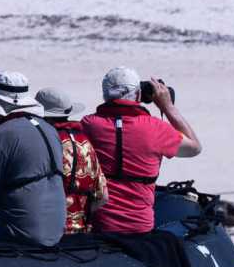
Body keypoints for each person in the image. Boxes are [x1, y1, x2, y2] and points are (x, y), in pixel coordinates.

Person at [82, 67, 202, 235]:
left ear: (105, 95)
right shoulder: (155, 128)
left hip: (100, 224)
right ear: (138, 95)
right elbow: (194, 148)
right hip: (140, 226)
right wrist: (167, 107)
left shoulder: (89, 125)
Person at [0, 71, 66, 246]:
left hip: (24, 229)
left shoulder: (1, 134)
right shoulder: (49, 129)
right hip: (57, 226)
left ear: (1, 102)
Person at [37, 86, 107, 235]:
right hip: (82, 232)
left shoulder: (44, 142)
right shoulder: (85, 143)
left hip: (49, 231)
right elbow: (102, 196)